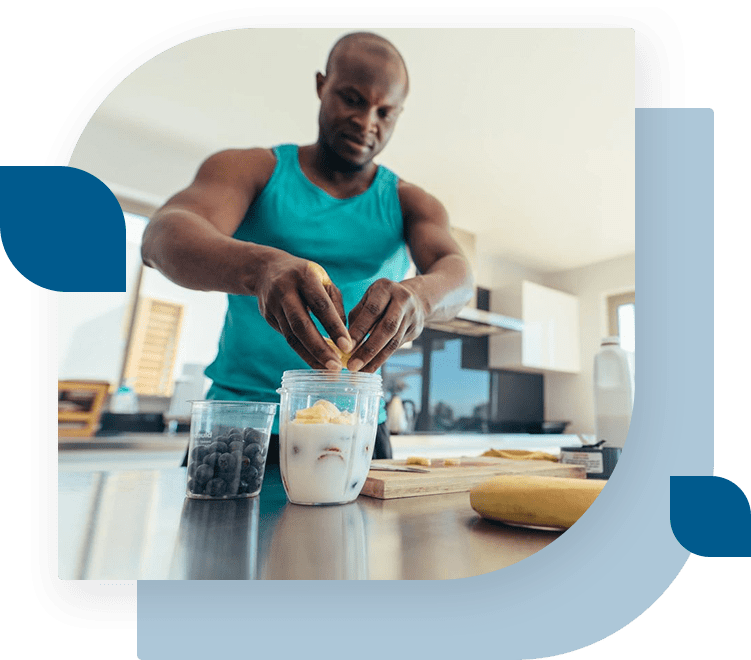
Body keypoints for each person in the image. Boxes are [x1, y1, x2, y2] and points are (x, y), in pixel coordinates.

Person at [141, 31, 474, 465]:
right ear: (322, 85)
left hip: (354, 425)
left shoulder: (411, 202)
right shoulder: (252, 168)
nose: (367, 121)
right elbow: (162, 236)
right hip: (243, 422)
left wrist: (421, 298)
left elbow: (459, 274)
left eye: (385, 112)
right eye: (352, 98)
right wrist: (260, 267)